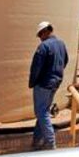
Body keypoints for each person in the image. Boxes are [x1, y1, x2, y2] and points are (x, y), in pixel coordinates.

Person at [29, 20, 68, 150]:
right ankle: (37, 141)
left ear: (46, 31)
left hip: (43, 84)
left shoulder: (44, 47)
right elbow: (65, 61)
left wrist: (32, 82)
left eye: (40, 34)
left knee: (41, 112)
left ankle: (50, 143)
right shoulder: (61, 44)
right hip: (55, 82)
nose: (40, 38)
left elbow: (36, 67)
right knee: (43, 111)